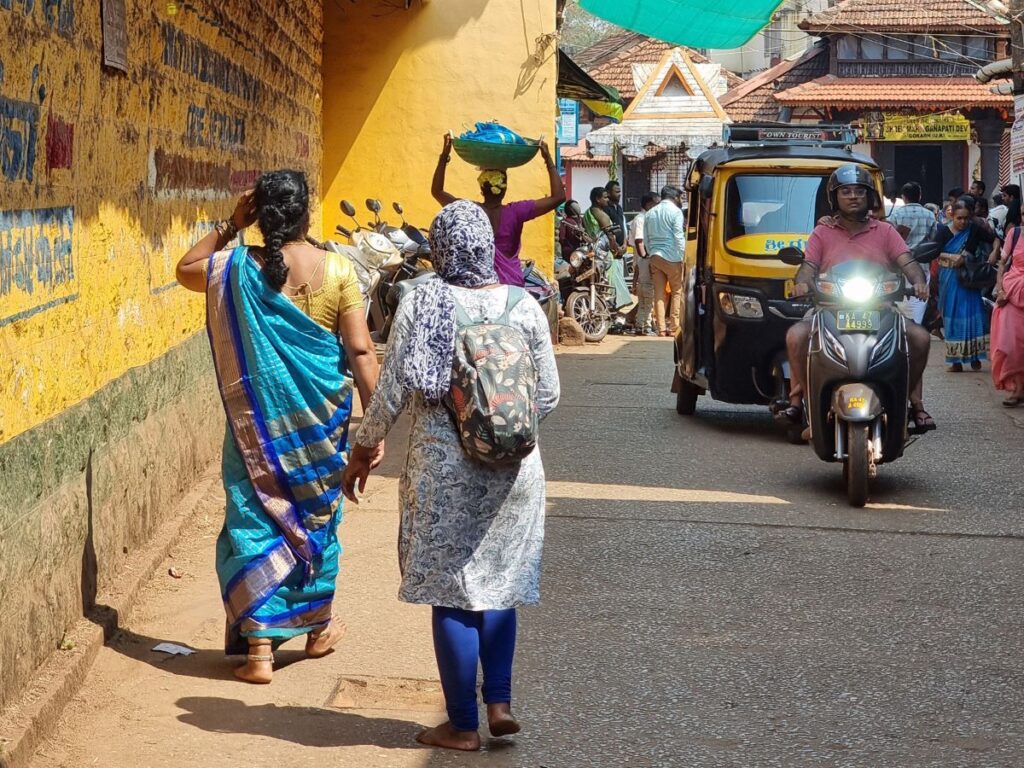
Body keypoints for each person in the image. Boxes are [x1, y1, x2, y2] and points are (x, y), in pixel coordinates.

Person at [342, 200, 560, 751]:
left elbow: (391, 393)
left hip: (443, 468)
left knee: (452, 589)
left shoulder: (423, 302)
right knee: (500, 585)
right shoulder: (525, 305)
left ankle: (461, 724)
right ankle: (501, 703)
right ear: (487, 246)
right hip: (515, 469)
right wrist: (496, 418)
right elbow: (550, 396)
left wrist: (363, 449)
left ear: (440, 248)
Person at [174, 171, 381, 684]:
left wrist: (230, 224)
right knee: (317, 519)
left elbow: (186, 268)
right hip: (319, 429)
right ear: (307, 211)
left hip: (258, 433)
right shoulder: (338, 270)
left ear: (260, 215)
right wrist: (374, 424)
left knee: (254, 517)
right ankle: (316, 632)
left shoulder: (239, 266)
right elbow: (360, 352)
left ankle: (260, 653)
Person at [782, 165, 935, 432]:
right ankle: (799, 401)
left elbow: (906, 260)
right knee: (796, 336)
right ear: (835, 198)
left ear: (869, 197)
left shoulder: (885, 231)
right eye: (846, 191)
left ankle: (913, 402)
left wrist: (919, 281)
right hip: (828, 308)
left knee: (919, 338)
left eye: (858, 191)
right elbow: (808, 266)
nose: (853, 196)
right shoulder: (823, 232)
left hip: (881, 308)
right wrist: (802, 284)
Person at [432, 134, 565, 287]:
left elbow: (437, 192)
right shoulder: (516, 211)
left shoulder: (470, 211)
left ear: (482, 189)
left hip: (482, 286)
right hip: (512, 284)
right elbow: (558, 197)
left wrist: (444, 156)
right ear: (504, 189)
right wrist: (548, 158)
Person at [930, 198, 999, 371]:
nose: (962, 222)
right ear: (952, 216)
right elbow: (935, 253)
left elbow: (995, 239)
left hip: (968, 280)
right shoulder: (943, 231)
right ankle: (956, 361)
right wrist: (953, 258)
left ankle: (975, 356)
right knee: (952, 317)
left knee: (973, 315)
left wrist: (994, 253)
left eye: (966, 218)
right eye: (959, 218)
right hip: (949, 279)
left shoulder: (974, 229)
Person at [889, 182, 935, 325]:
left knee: (900, 297)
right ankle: (915, 326)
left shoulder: (896, 214)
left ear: (903, 197)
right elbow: (933, 239)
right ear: (920, 196)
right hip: (923, 265)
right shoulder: (929, 215)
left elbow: (890, 240)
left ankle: (902, 327)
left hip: (901, 264)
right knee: (919, 299)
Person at [643, 185, 687, 336]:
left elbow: (646, 238)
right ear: (675, 197)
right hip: (673, 256)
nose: (680, 200)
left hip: (655, 256)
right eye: (680, 197)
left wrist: (650, 253)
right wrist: (683, 255)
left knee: (659, 294)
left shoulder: (650, 213)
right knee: (677, 291)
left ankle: (661, 328)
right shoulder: (676, 212)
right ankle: (674, 327)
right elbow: (678, 236)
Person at [584, 186, 632, 310]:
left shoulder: (588, 213)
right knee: (610, 283)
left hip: (592, 251)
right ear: (597, 199)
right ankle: (612, 308)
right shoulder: (602, 215)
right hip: (605, 254)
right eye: (604, 197)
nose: (607, 200)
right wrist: (617, 250)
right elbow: (610, 236)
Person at [992, 224, 1024, 406]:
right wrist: (1000, 289)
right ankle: (1017, 388)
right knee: (1010, 345)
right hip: (1012, 293)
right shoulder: (1015, 232)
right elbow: (1002, 263)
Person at [628, 191, 660, 335]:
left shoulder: (648, 218)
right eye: (656, 204)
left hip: (640, 277)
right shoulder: (641, 219)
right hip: (646, 276)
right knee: (647, 305)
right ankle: (644, 327)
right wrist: (646, 255)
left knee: (643, 305)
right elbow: (639, 241)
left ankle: (639, 324)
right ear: (648, 204)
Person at [605, 180, 627, 252]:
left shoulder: (619, 208)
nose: (619, 194)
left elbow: (623, 226)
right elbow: (607, 231)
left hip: (621, 248)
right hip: (611, 249)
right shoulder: (605, 208)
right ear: (608, 193)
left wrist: (624, 243)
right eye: (617, 192)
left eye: (620, 192)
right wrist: (616, 247)